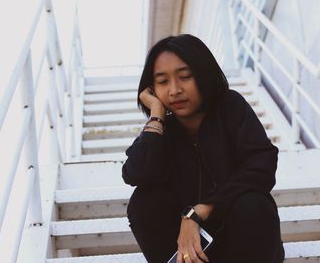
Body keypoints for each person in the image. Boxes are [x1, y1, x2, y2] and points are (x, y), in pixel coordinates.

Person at [122, 34, 284, 263]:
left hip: (245, 244)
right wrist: (157, 117)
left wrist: (199, 211)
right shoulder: (162, 134)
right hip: (191, 252)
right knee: (143, 203)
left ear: (203, 74)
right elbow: (134, 173)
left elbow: (261, 165)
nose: (174, 90)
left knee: (253, 203)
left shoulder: (230, 107)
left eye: (185, 76)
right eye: (162, 81)